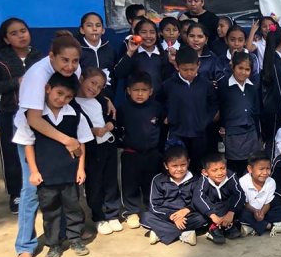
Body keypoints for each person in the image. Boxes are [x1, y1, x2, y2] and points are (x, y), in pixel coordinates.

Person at [12, 31, 83, 257]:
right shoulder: (36, 76)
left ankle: (65, 235)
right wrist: (67, 140)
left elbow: (78, 99)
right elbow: (34, 120)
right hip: (35, 135)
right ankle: (25, 245)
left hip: (58, 129)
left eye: (75, 61)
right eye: (65, 60)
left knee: (63, 187)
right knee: (32, 189)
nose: (70, 66)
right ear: (52, 56)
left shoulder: (73, 72)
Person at [0, 17, 43, 214]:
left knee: (36, 151)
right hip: (10, 112)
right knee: (11, 154)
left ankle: (39, 188)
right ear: (6, 39)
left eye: (23, 31)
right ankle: (16, 193)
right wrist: (16, 82)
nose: (21, 35)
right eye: (14, 33)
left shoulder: (37, 55)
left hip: (36, 112)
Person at [75, 68, 121, 236]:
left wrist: (110, 125)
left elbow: (112, 118)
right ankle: (99, 217)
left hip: (108, 146)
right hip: (91, 150)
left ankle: (112, 213)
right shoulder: (72, 103)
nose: (94, 88)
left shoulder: (101, 101)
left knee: (111, 180)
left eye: (99, 86)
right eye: (92, 83)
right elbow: (74, 126)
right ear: (81, 79)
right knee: (94, 183)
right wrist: (91, 131)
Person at [116, 71, 163, 231]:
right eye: (136, 90)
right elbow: (118, 129)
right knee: (130, 184)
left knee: (151, 183)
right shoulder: (122, 109)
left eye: (144, 90)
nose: (140, 94)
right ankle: (132, 211)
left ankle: (152, 208)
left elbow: (162, 129)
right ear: (128, 91)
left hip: (152, 153)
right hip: (131, 153)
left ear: (151, 91)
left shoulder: (157, 108)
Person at [161, 46, 218, 176]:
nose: (189, 73)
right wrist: (166, 116)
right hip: (178, 133)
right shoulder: (169, 84)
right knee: (179, 166)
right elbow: (159, 101)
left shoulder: (205, 84)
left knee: (199, 165)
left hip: (199, 133)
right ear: (177, 66)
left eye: (192, 69)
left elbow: (214, 102)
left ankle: (198, 192)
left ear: (198, 65)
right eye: (184, 69)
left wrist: (206, 119)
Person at [141, 145, 207, 246]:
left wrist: (187, 210)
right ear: (166, 166)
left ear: (188, 162)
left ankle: (160, 233)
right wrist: (171, 217)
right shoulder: (158, 180)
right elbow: (154, 206)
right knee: (145, 217)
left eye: (183, 165)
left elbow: (201, 200)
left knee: (203, 218)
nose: (179, 169)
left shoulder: (196, 179)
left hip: (188, 214)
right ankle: (185, 234)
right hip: (166, 215)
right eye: (174, 166)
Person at [217, 51, 261, 177]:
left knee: (251, 165)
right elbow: (221, 108)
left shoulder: (252, 87)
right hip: (232, 133)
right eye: (240, 68)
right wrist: (222, 127)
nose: (243, 72)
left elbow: (256, 111)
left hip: (251, 132)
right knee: (234, 167)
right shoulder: (224, 86)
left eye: (247, 69)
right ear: (233, 67)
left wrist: (258, 133)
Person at [194, 152, 245, 244]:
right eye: (214, 170)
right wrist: (212, 215)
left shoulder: (231, 176)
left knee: (243, 208)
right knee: (200, 213)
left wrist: (231, 213)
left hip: (227, 208)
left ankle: (226, 225)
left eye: (223, 168)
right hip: (213, 210)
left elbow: (239, 194)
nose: (220, 173)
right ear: (205, 172)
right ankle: (215, 227)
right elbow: (198, 198)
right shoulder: (203, 180)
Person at [238, 151, 281, 236]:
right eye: (261, 169)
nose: (265, 173)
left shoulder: (271, 182)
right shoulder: (242, 182)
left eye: (268, 168)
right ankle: (270, 226)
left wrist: (262, 212)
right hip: (249, 210)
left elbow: (268, 203)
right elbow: (245, 203)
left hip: (264, 212)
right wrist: (255, 211)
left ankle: (252, 227)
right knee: (242, 214)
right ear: (250, 169)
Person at [114, 18, 172, 95]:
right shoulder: (132, 53)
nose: (148, 36)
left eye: (152, 32)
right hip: (135, 102)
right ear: (136, 35)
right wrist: (130, 52)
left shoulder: (162, 54)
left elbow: (168, 79)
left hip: (158, 101)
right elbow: (119, 73)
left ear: (157, 34)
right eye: (143, 32)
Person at [260, 26, 281, 156]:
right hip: (275, 109)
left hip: (271, 108)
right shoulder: (275, 61)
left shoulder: (272, 58)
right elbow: (279, 88)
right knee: (273, 140)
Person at [78, 12, 116, 99]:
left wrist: (108, 97)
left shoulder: (110, 50)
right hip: (82, 98)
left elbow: (113, 76)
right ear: (82, 30)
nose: (94, 29)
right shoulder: (77, 50)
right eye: (89, 25)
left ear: (103, 30)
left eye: (98, 25)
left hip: (106, 98)